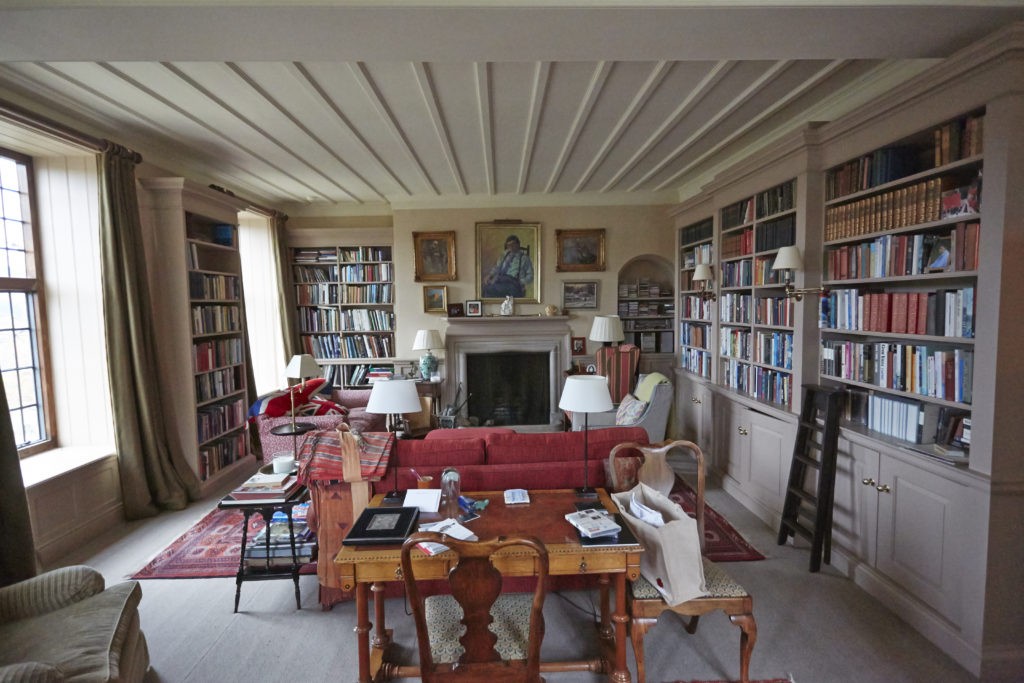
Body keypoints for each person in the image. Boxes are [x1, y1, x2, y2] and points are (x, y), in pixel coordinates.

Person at [483, 234, 534, 298]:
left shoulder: (525, 258)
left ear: (518, 244)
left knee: (493, 290)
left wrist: (521, 281)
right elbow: (497, 267)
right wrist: (490, 275)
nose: (511, 247)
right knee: (486, 288)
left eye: (513, 244)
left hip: (514, 284)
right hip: (500, 280)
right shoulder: (504, 255)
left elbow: (531, 275)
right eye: (508, 245)